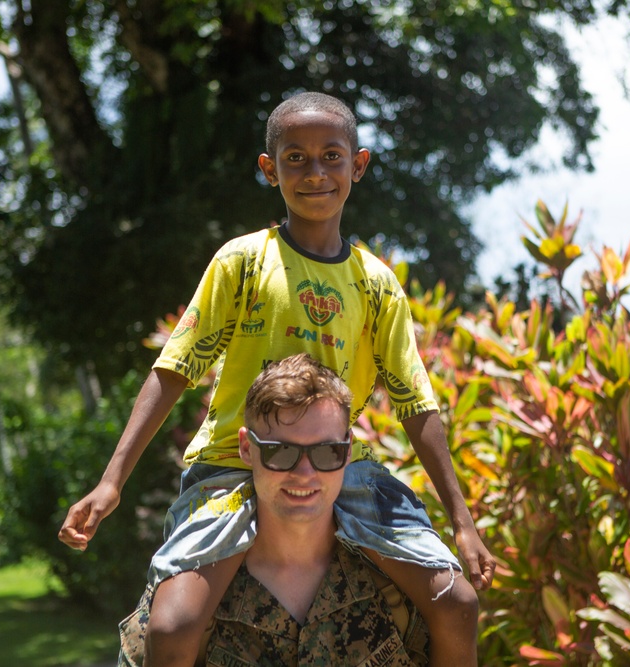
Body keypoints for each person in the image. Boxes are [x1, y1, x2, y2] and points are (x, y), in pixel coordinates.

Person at [59, 91, 494, 666]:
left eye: (331, 157)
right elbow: (175, 368)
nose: (315, 173)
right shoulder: (242, 262)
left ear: (358, 165)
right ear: (270, 170)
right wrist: (112, 481)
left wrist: (462, 523)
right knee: (174, 623)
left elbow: (416, 404)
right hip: (232, 466)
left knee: (455, 602)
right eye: (295, 159)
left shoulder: (377, 285)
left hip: (340, 464)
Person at [121, 354, 431, 665]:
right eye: (281, 452)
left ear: (348, 450)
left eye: (327, 452)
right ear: (246, 449)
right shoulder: (187, 601)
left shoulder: (398, 589)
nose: (304, 473)